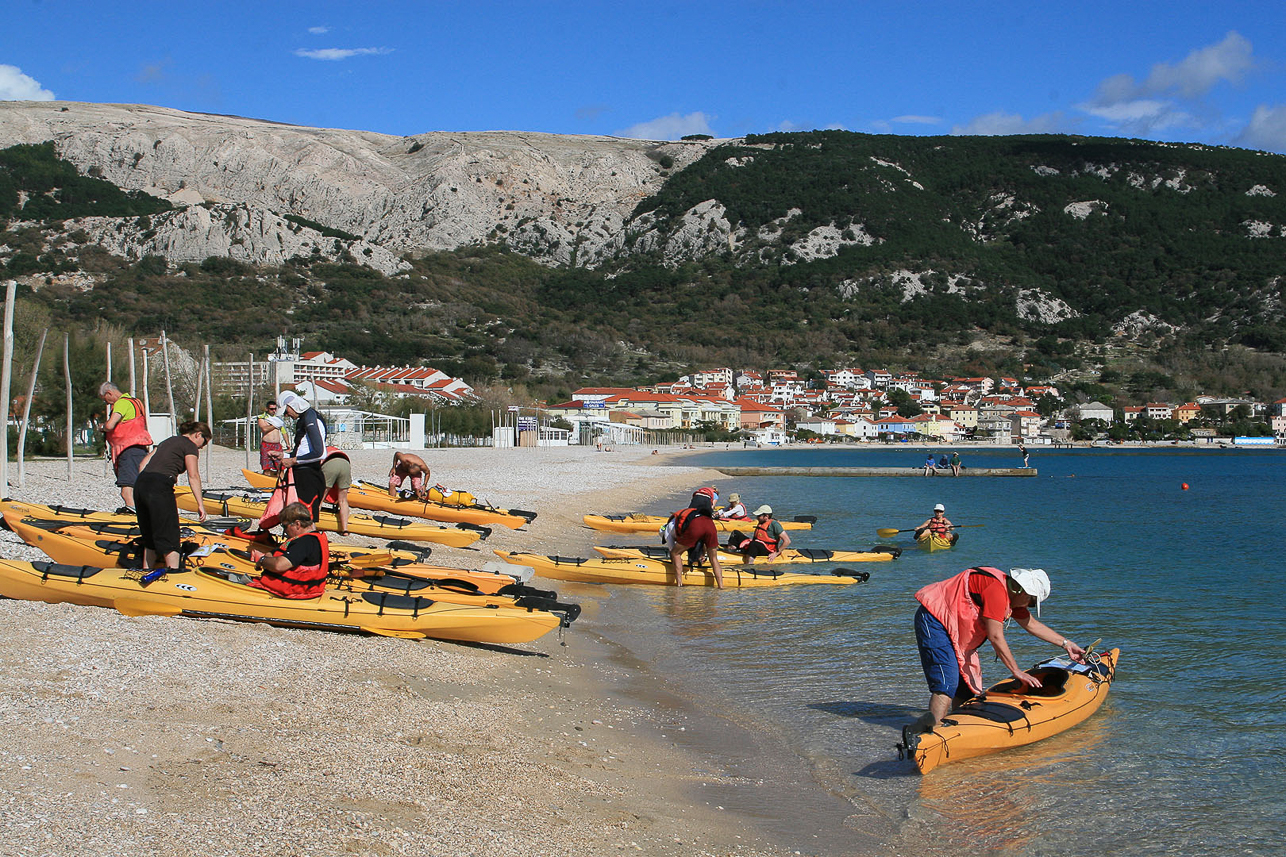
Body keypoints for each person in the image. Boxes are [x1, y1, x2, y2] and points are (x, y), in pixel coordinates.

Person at [906, 566, 1087, 739]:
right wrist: (1016, 671)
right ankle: (929, 737)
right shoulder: (996, 592)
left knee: (965, 689)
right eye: (1032, 602)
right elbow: (995, 636)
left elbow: (1032, 625)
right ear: (1022, 592)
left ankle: (955, 733)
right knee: (946, 684)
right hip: (934, 620)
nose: (1029, 606)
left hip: (953, 625)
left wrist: (1066, 644)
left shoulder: (1011, 594)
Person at [134, 421, 209, 572]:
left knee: (150, 536)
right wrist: (200, 504)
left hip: (141, 484)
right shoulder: (190, 445)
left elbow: (142, 465)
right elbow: (193, 475)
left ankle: (146, 570)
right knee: (170, 534)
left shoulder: (167, 441)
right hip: (160, 486)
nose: (202, 446)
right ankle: (173, 574)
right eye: (204, 442)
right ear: (198, 434)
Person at [246, 501, 330, 599]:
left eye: (285, 526)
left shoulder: (305, 542)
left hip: (298, 591)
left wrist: (262, 560)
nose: (285, 531)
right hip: (305, 589)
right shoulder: (310, 538)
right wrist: (267, 557)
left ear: (297, 524)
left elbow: (279, 565)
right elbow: (274, 553)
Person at [98, 382, 154, 514]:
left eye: (105, 399)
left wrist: (102, 427)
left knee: (126, 489)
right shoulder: (136, 402)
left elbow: (110, 425)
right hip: (140, 449)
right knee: (138, 485)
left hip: (128, 450)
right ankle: (143, 512)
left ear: (109, 393)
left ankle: (132, 515)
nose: (106, 403)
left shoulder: (122, 403)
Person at [271, 391, 328, 520]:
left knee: (305, 519)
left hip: (309, 476)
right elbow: (302, 451)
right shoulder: (304, 418)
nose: (287, 415)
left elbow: (320, 453)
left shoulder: (310, 418)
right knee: (296, 516)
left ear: (293, 405)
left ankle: (309, 538)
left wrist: (292, 461)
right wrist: (284, 455)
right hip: (301, 474)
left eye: (286, 411)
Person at [662, 490, 724, 588]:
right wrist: (703, 553)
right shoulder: (676, 520)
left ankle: (679, 584)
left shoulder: (667, 532)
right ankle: (721, 586)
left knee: (675, 553)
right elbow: (702, 540)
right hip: (709, 524)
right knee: (713, 558)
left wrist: (673, 565)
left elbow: (673, 553)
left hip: (696, 525)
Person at [726, 504, 792, 564]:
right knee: (736, 533)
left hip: (768, 549)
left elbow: (787, 541)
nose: (757, 517)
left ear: (766, 516)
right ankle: (732, 552)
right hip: (757, 544)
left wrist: (776, 553)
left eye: (759, 515)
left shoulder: (774, 524)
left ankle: (749, 565)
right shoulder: (761, 522)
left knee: (754, 544)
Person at [320, 447, 352, 535]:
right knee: (343, 500)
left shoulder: (321, 449)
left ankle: (313, 523)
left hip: (330, 464)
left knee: (320, 497)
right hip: (345, 464)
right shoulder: (334, 449)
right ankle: (345, 529)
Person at [257, 401, 286, 475]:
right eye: (271, 409)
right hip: (266, 444)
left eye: (275, 409)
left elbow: (284, 432)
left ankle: (281, 481)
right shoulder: (262, 418)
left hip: (277, 444)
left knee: (280, 466)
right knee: (266, 466)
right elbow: (265, 429)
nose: (273, 411)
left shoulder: (278, 420)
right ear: (267, 409)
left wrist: (287, 443)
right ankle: (267, 483)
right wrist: (275, 425)